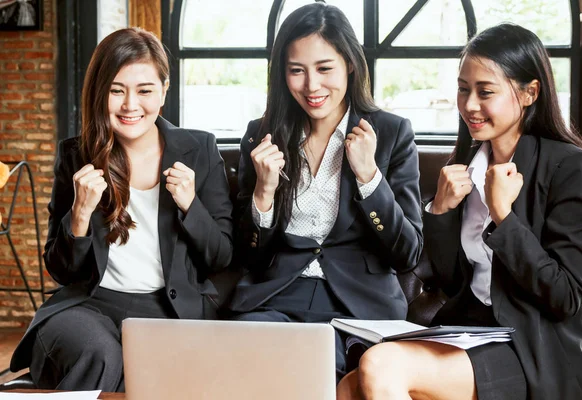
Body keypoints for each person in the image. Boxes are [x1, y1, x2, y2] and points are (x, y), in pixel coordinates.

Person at [336, 23, 582, 400]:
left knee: (381, 365)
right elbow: (450, 282)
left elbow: (566, 296)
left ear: (529, 93)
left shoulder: (569, 167)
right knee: (349, 386)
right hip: (471, 332)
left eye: (485, 92)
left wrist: (503, 216)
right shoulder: (466, 163)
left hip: (532, 350)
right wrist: (441, 210)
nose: (469, 105)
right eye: (463, 89)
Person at [9, 27, 234, 392]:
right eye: (116, 91)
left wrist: (191, 206)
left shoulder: (200, 149)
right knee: (100, 353)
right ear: (100, 94)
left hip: (168, 310)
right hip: (88, 306)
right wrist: (80, 214)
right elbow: (62, 271)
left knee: (149, 371)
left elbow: (221, 256)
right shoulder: (76, 156)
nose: (131, 105)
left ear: (164, 90)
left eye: (144, 90)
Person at [227, 2, 423, 381]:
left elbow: (407, 252)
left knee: (315, 366)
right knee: (250, 360)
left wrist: (369, 178)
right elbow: (247, 256)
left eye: (324, 68)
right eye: (296, 70)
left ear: (350, 63)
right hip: (276, 298)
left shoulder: (391, 133)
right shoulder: (261, 134)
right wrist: (263, 193)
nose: (311, 86)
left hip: (357, 305)